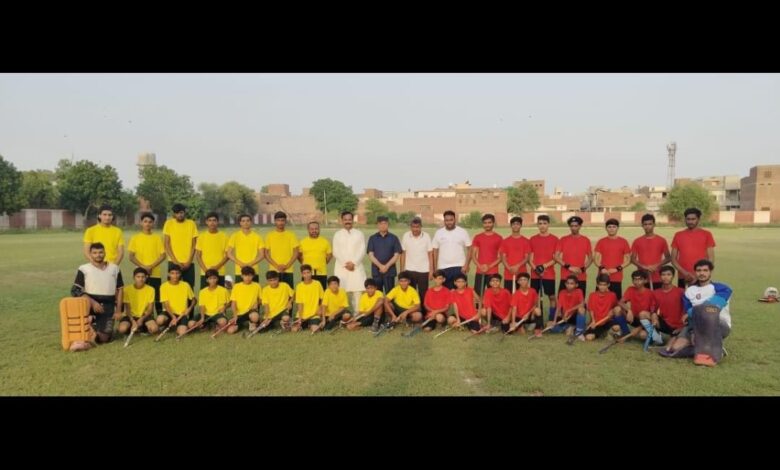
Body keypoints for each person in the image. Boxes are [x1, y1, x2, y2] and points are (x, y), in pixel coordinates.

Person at [662, 260, 732, 366]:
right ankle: (710, 346)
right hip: (694, 325)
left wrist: (692, 312)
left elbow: (709, 309)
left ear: (710, 272)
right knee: (676, 348)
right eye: (699, 270)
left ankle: (710, 348)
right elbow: (687, 316)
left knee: (707, 314)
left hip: (718, 324)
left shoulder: (722, 288)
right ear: (695, 272)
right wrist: (693, 330)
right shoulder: (689, 291)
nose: (702, 273)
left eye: (705, 270)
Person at [71, 242, 124, 344]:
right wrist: (93, 303)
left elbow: (120, 289)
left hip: (108, 304)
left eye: (100, 252)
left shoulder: (114, 268)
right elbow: (75, 290)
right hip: (90, 303)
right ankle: (90, 323)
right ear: (90, 254)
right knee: (93, 334)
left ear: (105, 253)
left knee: (104, 339)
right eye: (94, 253)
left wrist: (118, 310)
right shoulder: (84, 268)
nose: (98, 255)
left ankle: (95, 329)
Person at [128, 212, 166, 314]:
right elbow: (131, 256)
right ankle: (141, 316)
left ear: (153, 223)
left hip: (155, 273)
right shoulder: (135, 238)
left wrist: (151, 266)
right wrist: (144, 267)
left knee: (157, 297)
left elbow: (163, 255)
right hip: (140, 274)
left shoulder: (157, 238)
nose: (147, 224)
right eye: (145, 221)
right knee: (141, 296)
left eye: (150, 222)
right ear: (141, 223)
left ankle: (160, 317)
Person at [671, 207, 716, 288]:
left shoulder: (707, 234)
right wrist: (685, 273)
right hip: (683, 277)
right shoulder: (678, 235)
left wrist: (700, 274)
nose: (690, 222)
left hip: (701, 277)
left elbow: (711, 259)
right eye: (688, 219)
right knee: (683, 296)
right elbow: (673, 259)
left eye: (693, 219)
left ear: (698, 219)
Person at [332, 211, 368, 312]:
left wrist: (354, 263)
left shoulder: (359, 234)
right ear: (341, 221)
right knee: (340, 291)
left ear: (353, 220)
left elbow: (362, 250)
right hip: (342, 267)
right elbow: (335, 251)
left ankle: (357, 315)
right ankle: (340, 315)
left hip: (356, 267)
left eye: (349, 219)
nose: (347, 221)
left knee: (357, 291)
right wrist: (346, 264)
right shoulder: (337, 235)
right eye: (345, 220)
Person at [616, 270, 662, 348]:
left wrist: (639, 328)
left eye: (640, 279)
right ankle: (625, 332)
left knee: (642, 335)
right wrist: (629, 310)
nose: (637, 282)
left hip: (645, 321)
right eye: (635, 279)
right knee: (617, 309)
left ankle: (654, 337)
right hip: (634, 318)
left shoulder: (651, 293)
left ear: (645, 280)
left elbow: (652, 315)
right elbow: (620, 302)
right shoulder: (630, 289)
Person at [400, 217, 434, 315]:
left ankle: (424, 313)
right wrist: (402, 270)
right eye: (413, 227)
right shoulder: (406, 236)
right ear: (410, 227)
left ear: (421, 227)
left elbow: (430, 253)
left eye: (417, 227)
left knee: (423, 293)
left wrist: (431, 270)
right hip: (409, 269)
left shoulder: (426, 236)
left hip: (423, 270)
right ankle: (412, 314)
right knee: (411, 293)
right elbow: (403, 253)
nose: (415, 229)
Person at [529, 214, 559, 322]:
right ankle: (537, 321)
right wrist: (536, 269)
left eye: (544, 223)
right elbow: (530, 258)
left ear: (548, 224)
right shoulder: (532, 239)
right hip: (535, 274)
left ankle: (551, 319)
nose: (542, 226)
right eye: (540, 223)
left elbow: (556, 258)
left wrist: (543, 266)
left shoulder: (555, 239)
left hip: (549, 274)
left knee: (551, 297)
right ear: (537, 225)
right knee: (535, 297)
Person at [432, 210, 472, 289]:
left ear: (455, 220)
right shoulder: (439, 233)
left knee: (460, 292)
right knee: (445, 293)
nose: (449, 222)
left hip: (459, 267)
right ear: (444, 221)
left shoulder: (462, 232)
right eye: (447, 220)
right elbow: (435, 251)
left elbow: (470, 249)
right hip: (443, 268)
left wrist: (466, 265)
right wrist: (435, 268)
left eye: (451, 220)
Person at [631, 213, 671, 290]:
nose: (647, 226)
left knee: (657, 297)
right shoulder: (637, 241)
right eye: (645, 224)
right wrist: (644, 267)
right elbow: (632, 259)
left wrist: (656, 266)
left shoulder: (661, 240)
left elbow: (668, 257)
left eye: (650, 224)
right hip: (642, 278)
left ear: (654, 225)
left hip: (657, 277)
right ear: (642, 225)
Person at [163, 203, 199, 288]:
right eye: (177, 213)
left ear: (185, 212)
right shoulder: (169, 223)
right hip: (173, 261)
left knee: (189, 287)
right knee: (172, 287)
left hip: (188, 263)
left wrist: (189, 261)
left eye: (181, 212)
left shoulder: (191, 224)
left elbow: (194, 244)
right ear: (174, 214)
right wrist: (176, 262)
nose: (179, 215)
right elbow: (167, 244)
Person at [593, 218, 631, 299]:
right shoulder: (601, 241)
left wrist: (617, 269)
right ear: (606, 228)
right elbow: (596, 258)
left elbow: (628, 260)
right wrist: (602, 268)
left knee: (616, 302)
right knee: (599, 301)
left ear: (617, 228)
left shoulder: (623, 242)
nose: (611, 229)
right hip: (602, 277)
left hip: (617, 277)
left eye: (614, 227)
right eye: (609, 227)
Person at [554, 216, 592, 295]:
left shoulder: (586, 240)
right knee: (562, 300)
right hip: (565, 276)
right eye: (571, 226)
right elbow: (556, 257)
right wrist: (569, 267)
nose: (573, 228)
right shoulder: (563, 239)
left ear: (580, 226)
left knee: (580, 300)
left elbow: (591, 257)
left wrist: (582, 269)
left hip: (580, 277)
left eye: (576, 226)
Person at [158, 265, 197, 338]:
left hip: (182, 314)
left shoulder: (185, 285)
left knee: (182, 333)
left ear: (180, 274)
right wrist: (173, 317)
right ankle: (168, 324)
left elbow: (194, 300)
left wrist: (189, 308)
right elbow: (166, 305)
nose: (175, 276)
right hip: (169, 313)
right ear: (169, 274)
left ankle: (176, 326)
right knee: (160, 320)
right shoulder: (164, 286)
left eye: (177, 273)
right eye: (172, 273)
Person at [117, 267, 158, 336]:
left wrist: (141, 319)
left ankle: (141, 327)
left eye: (143, 277)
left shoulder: (151, 289)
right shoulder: (127, 289)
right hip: (130, 316)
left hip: (144, 316)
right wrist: (133, 321)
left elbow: (150, 310)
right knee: (122, 329)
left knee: (154, 329)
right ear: (134, 278)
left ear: (146, 277)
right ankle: (134, 327)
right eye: (138, 277)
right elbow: (127, 310)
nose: (141, 279)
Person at [367, 215, 403, 293]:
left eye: (385, 223)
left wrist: (386, 266)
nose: (383, 225)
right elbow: (370, 255)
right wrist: (380, 266)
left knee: (390, 295)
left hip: (390, 272)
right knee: (377, 294)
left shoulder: (394, 238)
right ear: (377, 225)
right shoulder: (372, 238)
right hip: (376, 272)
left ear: (388, 224)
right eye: (381, 223)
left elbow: (396, 255)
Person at [471, 213, 503, 297]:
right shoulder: (478, 237)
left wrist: (489, 266)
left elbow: (500, 257)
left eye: (489, 222)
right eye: (485, 223)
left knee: (493, 295)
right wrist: (480, 266)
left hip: (493, 271)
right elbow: (473, 255)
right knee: (478, 295)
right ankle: (480, 306)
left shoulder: (499, 238)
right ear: (483, 224)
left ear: (493, 223)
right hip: (480, 271)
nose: (487, 225)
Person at [265, 211, 299, 289]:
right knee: (274, 292)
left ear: (285, 221)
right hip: (274, 270)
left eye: (282, 220)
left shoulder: (291, 235)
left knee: (289, 292)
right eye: (278, 220)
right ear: (275, 221)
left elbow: (296, 252)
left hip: (288, 270)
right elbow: (266, 253)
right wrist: (276, 265)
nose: (280, 223)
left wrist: (287, 265)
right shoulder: (270, 235)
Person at [227, 213, 265, 283]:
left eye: (248, 220)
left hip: (253, 270)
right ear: (240, 223)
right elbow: (229, 253)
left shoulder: (257, 237)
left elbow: (262, 255)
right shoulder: (234, 236)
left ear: (251, 222)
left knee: (254, 289)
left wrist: (250, 264)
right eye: (243, 221)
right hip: (239, 270)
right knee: (239, 289)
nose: (246, 223)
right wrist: (240, 264)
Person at [195, 212, 229, 288]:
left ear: (217, 222)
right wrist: (206, 270)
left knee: (221, 293)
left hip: (220, 272)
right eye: (210, 220)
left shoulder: (224, 237)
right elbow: (198, 256)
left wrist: (217, 267)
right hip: (205, 272)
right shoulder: (201, 237)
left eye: (214, 220)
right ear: (206, 222)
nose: (212, 223)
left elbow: (228, 256)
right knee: (205, 294)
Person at [651, 266, 686, 339]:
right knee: (644, 314)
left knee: (673, 344)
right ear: (660, 277)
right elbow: (653, 307)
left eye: (668, 274)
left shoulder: (681, 292)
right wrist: (653, 314)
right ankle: (656, 336)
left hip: (679, 326)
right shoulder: (655, 292)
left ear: (673, 276)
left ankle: (673, 335)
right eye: (663, 275)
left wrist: (683, 327)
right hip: (665, 323)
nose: (666, 277)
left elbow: (688, 311)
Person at [583, 274, 620, 341]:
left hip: (607, 322)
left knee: (617, 327)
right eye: (600, 285)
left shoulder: (612, 295)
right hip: (597, 323)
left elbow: (616, 307)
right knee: (589, 338)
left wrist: (612, 311)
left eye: (604, 285)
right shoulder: (592, 295)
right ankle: (604, 333)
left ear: (608, 285)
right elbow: (591, 310)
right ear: (597, 285)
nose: (602, 287)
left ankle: (607, 332)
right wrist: (593, 321)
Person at [226, 266, 262, 334]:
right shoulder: (236, 286)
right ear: (242, 276)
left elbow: (261, 299)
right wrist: (235, 316)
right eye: (245, 275)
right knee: (230, 331)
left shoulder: (257, 286)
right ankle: (241, 324)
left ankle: (252, 323)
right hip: (239, 314)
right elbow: (233, 303)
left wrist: (258, 303)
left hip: (251, 312)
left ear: (253, 276)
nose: (248, 278)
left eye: (250, 275)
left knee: (255, 317)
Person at [499, 216, 531, 291]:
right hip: (509, 274)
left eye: (517, 224)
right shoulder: (505, 241)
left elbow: (526, 258)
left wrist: (517, 266)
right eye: (513, 224)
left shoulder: (526, 241)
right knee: (509, 295)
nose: (515, 226)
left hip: (522, 274)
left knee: (521, 295)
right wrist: (509, 268)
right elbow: (503, 258)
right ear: (511, 226)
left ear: (521, 225)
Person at [298, 221, 332, 290]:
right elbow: (299, 255)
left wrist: (323, 262)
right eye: (312, 229)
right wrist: (304, 264)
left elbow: (329, 254)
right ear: (308, 230)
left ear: (319, 229)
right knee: (307, 293)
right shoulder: (303, 242)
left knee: (321, 293)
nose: (314, 231)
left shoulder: (325, 242)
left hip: (321, 273)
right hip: (307, 274)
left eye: (316, 229)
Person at [551, 275, 586, 339]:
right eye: (568, 283)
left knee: (581, 309)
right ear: (565, 284)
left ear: (576, 285)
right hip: (565, 317)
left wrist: (568, 310)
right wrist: (554, 321)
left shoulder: (579, 291)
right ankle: (570, 327)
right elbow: (558, 307)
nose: (569, 285)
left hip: (573, 316)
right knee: (551, 326)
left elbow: (582, 304)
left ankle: (579, 332)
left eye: (572, 283)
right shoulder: (562, 292)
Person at [293, 264, 325, 332]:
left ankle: (310, 325)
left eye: (308, 272)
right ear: (302, 274)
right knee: (294, 330)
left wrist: (320, 309)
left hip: (314, 314)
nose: (307, 275)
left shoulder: (317, 284)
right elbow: (300, 304)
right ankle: (306, 325)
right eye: (304, 273)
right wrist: (300, 318)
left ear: (311, 273)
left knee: (315, 329)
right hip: (302, 315)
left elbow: (322, 299)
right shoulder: (299, 286)